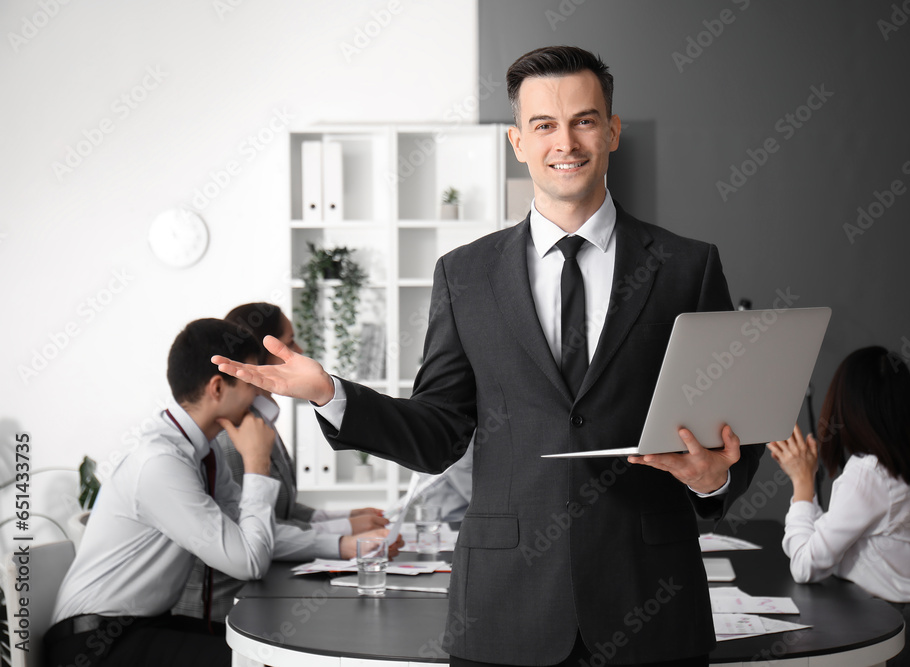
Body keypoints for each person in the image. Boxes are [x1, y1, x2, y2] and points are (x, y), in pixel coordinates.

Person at [214, 46, 765, 666]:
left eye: (585, 120)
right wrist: (329, 394)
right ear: (517, 141)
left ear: (612, 132)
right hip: (505, 610)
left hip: (650, 603)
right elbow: (439, 432)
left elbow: (738, 426)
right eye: (544, 125)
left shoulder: (687, 267)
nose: (567, 142)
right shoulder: (466, 275)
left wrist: (714, 476)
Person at [45, 319, 278, 666]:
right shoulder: (161, 463)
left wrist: (334, 545)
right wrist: (258, 463)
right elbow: (249, 561)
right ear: (218, 387)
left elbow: (247, 535)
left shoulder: (204, 452)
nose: (262, 393)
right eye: (253, 381)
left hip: (140, 627)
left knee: (260, 648)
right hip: (92, 645)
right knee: (254, 661)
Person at [172, 303, 389, 623]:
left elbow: (280, 509)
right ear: (259, 358)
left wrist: (345, 517)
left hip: (258, 592)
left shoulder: (262, 420)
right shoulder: (231, 435)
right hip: (221, 612)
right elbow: (252, 531)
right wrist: (343, 537)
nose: (299, 352)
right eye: (290, 342)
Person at [767, 346, 910, 667]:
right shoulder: (887, 469)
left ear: (843, 405)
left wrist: (802, 483)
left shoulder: (866, 476)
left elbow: (805, 564)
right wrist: (807, 484)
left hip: (902, 629)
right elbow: (831, 543)